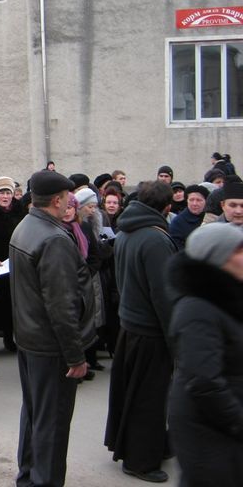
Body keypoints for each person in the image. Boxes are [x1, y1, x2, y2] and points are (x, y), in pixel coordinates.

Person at [9, 171, 94, 487]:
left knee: (35, 415)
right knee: (53, 423)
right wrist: (76, 356)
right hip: (49, 346)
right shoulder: (54, 239)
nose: (70, 203)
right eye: (67, 198)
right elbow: (61, 307)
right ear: (57, 200)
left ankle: (29, 477)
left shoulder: (27, 225)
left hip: (30, 339)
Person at [105, 181, 178, 483]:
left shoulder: (127, 231)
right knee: (149, 399)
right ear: (167, 207)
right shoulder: (155, 239)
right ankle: (140, 460)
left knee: (133, 394)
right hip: (149, 331)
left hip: (131, 324)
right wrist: (176, 339)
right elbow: (164, 296)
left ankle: (148, 445)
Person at [167, 223, 243, 487]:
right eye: (239, 250)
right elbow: (204, 380)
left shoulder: (229, 298)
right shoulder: (196, 309)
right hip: (207, 426)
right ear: (218, 258)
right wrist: (238, 420)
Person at [0, 175, 26, 352]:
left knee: (12, 303)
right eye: (1, 193)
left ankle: (10, 339)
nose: (5, 196)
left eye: (8, 193)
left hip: (15, 263)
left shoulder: (20, 211)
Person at [169, 184, 209, 249]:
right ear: (187, 201)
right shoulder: (178, 222)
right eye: (191, 200)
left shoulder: (211, 218)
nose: (194, 203)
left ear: (206, 201)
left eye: (199, 200)